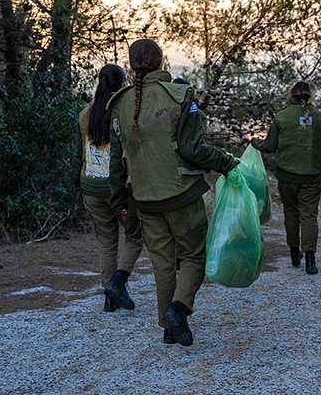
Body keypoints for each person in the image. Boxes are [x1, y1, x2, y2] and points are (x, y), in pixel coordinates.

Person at [108, 39, 237, 347]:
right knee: (194, 255)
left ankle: (168, 328)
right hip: (182, 195)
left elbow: (116, 161)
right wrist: (227, 163)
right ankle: (178, 310)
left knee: (162, 264)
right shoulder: (180, 96)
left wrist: (118, 199)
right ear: (161, 60)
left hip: (144, 199)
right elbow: (194, 149)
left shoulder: (119, 103)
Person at [75, 64, 143, 313]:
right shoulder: (122, 115)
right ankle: (118, 283)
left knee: (106, 242)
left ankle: (109, 297)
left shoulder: (85, 115)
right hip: (119, 191)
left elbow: (78, 154)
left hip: (91, 187)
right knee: (134, 236)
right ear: (122, 85)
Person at [252, 81, 321, 275]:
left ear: (291, 95)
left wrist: (254, 143)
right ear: (310, 96)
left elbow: (270, 146)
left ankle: (295, 253)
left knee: (291, 213)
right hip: (312, 177)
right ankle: (310, 259)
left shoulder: (282, 118)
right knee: (309, 216)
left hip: (287, 177)